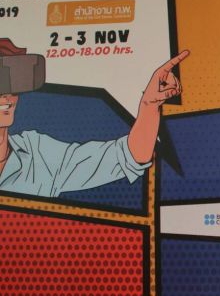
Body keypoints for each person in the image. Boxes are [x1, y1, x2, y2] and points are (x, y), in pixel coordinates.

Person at [0, 37, 188, 197]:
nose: (7, 96)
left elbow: (129, 155)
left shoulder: (38, 154)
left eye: (12, 83)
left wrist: (149, 105)